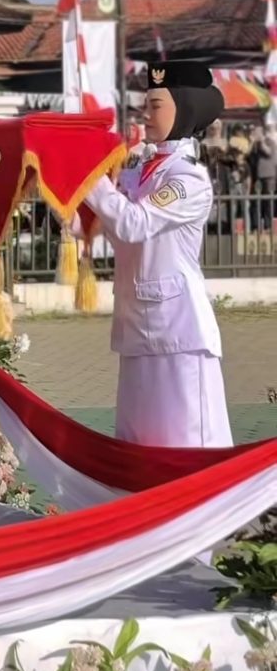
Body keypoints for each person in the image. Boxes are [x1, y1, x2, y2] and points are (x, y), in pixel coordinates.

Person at [82, 61, 233, 448]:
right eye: (145, 104)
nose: (145, 115)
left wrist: (88, 178)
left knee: (185, 444)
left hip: (179, 332)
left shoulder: (188, 178)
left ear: (182, 109)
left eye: (156, 105)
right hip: (135, 326)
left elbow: (134, 223)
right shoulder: (141, 169)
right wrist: (63, 191)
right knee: (137, 444)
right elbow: (115, 231)